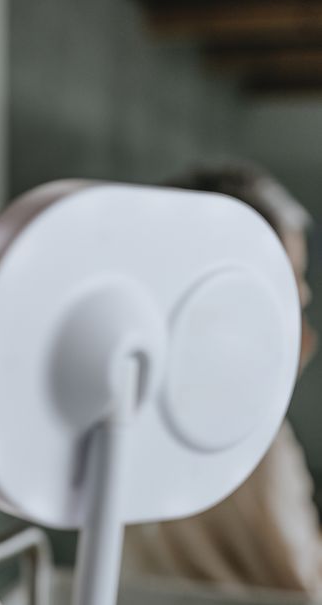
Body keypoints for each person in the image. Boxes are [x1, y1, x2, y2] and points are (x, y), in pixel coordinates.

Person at [123, 161, 321, 596]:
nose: (302, 296)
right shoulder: (243, 426)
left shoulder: (129, 391)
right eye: (289, 277)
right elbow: (301, 578)